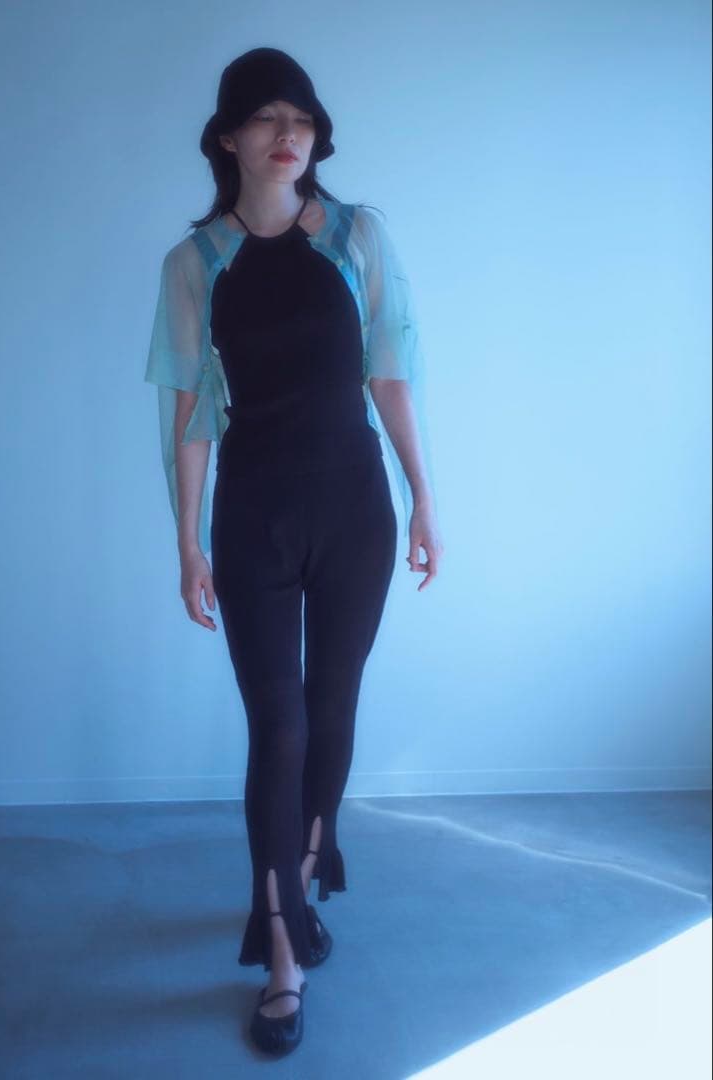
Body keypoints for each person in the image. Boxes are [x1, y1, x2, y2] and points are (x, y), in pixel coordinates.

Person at [144, 47, 443, 1056]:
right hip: (253, 518)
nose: (288, 136)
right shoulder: (196, 263)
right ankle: (280, 949)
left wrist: (424, 497)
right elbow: (189, 414)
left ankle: (303, 872)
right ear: (229, 136)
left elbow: (391, 372)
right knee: (278, 729)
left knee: (332, 710)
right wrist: (186, 540)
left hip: (355, 510)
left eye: (302, 119)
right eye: (267, 118)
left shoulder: (357, 237)